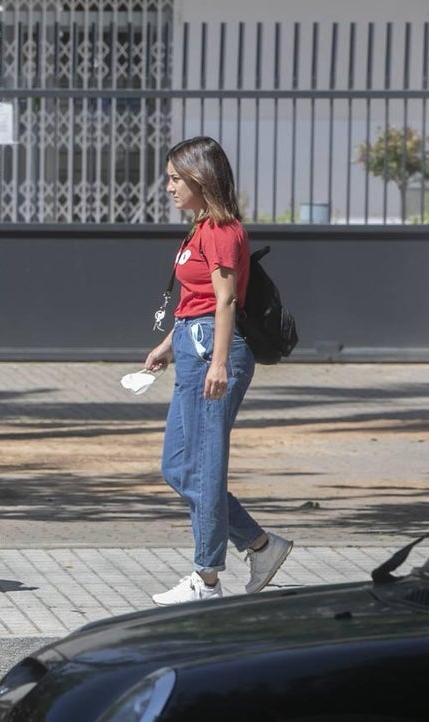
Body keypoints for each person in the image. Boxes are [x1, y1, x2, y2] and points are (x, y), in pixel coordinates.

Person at [145, 136, 293, 605]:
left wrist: (219, 362)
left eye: (176, 178)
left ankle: (206, 580)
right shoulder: (199, 228)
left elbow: (226, 301)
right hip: (193, 345)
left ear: (200, 177)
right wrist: (168, 346)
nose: (169, 187)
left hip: (214, 349)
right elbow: (197, 300)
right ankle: (260, 546)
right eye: (169, 178)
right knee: (178, 467)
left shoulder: (223, 231)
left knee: (205, 469)